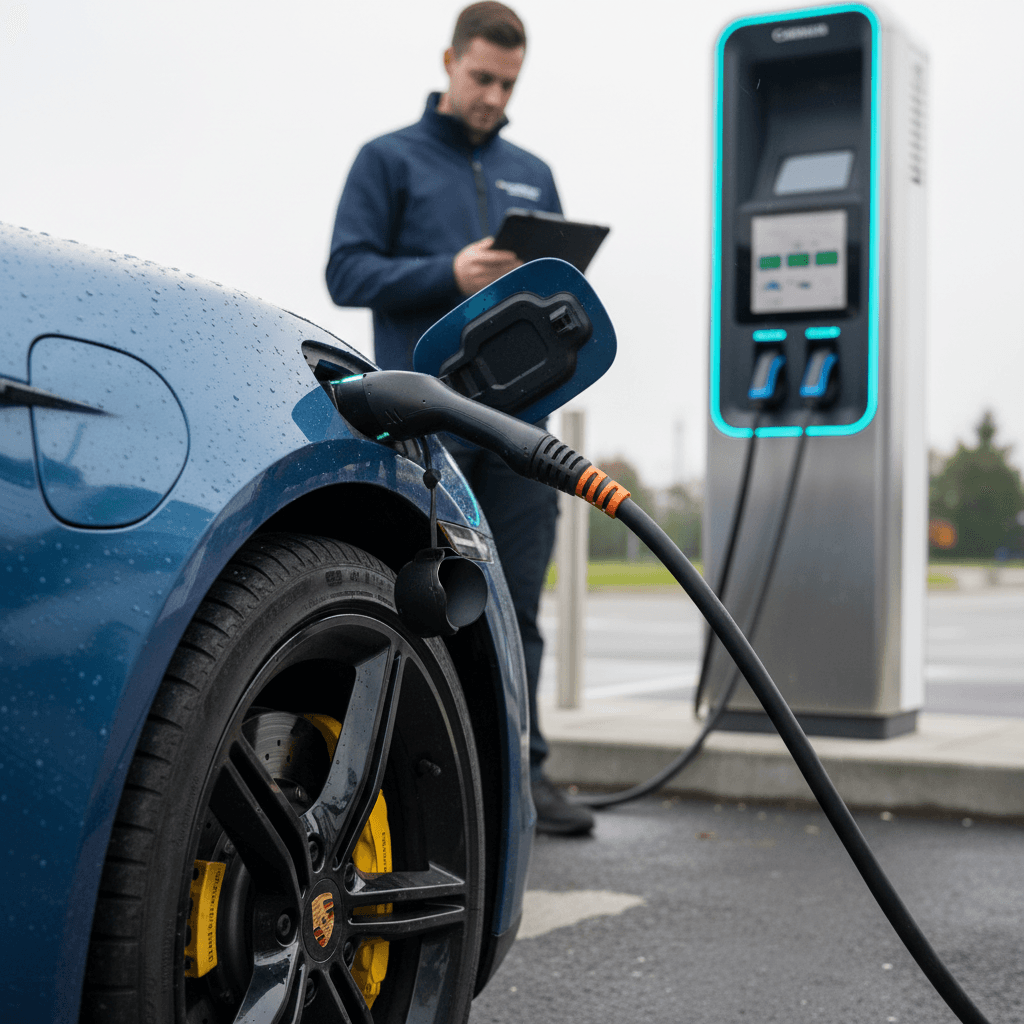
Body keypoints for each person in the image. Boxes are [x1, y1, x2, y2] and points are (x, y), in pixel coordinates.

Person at [326, 1, 594, 836]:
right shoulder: (388, 160)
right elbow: (346, 271)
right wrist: (450, 271)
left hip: (520, 427)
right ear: (449, 61)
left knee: (517, 604)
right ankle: (406, 783)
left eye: (508, 83)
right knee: (426, 598)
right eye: (481, 77)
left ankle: (525, 775)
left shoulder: (533, 170)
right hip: (430, 422)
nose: (492, 95)